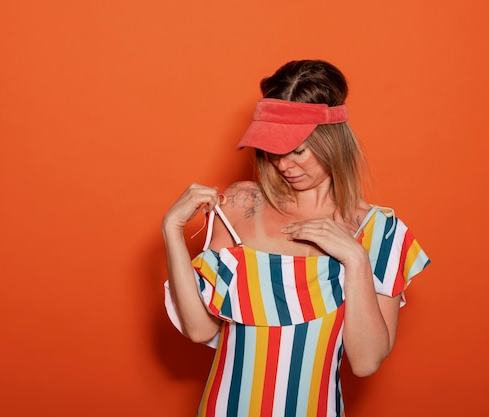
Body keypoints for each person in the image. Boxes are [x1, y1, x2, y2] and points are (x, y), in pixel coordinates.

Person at [162, 60, 430, 417]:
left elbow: (366, 362)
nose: (284, 166)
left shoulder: (379, 231)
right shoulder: (241, 205)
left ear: (332, 140)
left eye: (298, 151)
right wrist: (172, 231)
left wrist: (355, 259)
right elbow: (199, 329)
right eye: (272, 152)